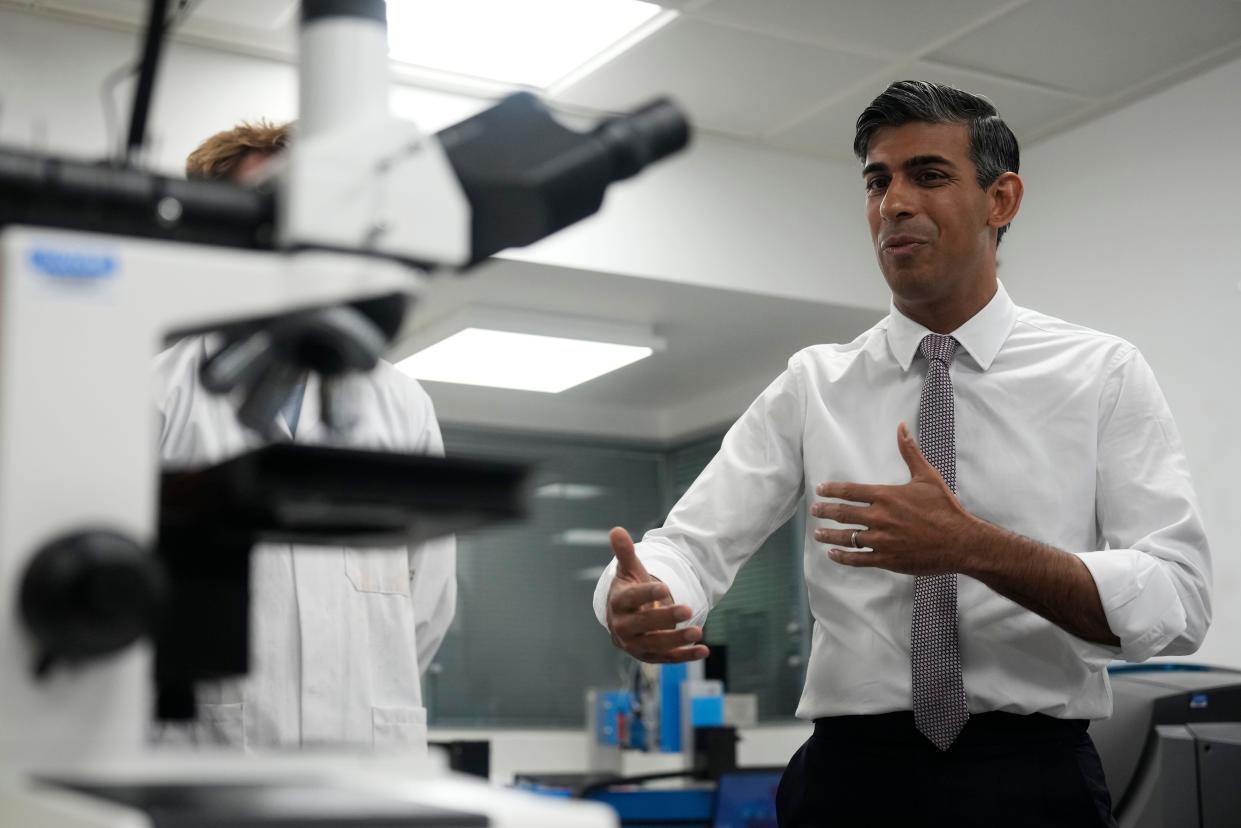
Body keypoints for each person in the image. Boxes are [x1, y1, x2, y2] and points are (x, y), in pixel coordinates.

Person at [593, 81, 1211, 827]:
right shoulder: (812, 383)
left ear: (1001, 200)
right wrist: (641, 596)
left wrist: (974, 547)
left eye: (928, 175)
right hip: (851, 781)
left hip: (1030, 780)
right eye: (876, 181)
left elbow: (1178, 602)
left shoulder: (1099, 373)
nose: (893, 204)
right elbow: (690, 546)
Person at [154, 120, 456, 752]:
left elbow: (427, 603)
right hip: (210, 765)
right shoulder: (153, 394)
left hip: (372, 764)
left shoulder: (401, 403)